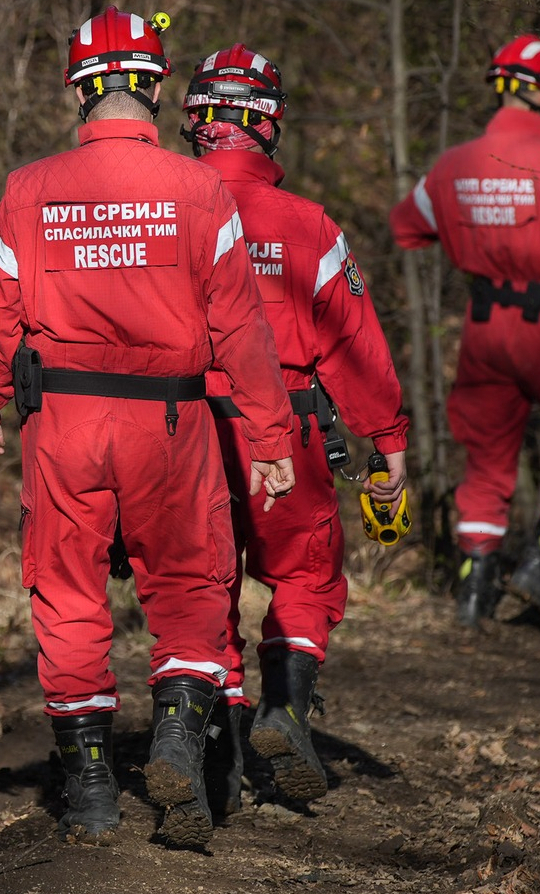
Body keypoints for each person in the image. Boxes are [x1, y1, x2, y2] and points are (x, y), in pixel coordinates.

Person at [0, 7, 295, 847]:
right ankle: (176, 732)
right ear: (154, 85)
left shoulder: (27, 189)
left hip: (62, 422)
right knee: (187, 588)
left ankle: (93, 786)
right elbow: (240, 327)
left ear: (79, 89)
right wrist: (272, 439)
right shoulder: (198, 187)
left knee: (66, 595)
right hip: (170, 424)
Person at [176, 43, 411, 811]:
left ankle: (225, 744)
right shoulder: (306, 224)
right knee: (305, 574)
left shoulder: (159, 213)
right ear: (267, 125)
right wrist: (389, 440)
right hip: (287, 422)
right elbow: (354, 343)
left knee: (200, 582)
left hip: (178, 429)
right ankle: (286, 707)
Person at [391, 32, 540, 633]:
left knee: (487, 458)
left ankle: (475, 594)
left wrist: (473, 232)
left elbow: (407, 226)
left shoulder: (455, 165)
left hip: (483, 330)